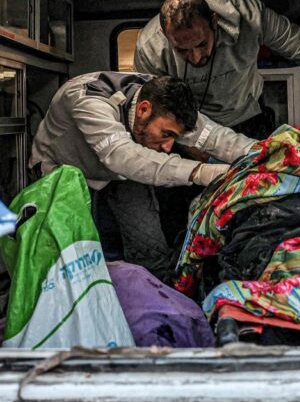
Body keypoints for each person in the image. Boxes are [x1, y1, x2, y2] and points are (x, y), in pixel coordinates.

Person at [29, 72, 255, 282]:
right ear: (143, 110)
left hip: (119, 175)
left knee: (150, 249)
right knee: (68, 257)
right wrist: (200, 172)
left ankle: (156, 300)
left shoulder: (163, 100)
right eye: (166, 135)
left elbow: (214, 137)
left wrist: (269, 151)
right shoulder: (88, 100)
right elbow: (122, 156)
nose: (168, 147)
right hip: (63, 172)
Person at [134, 0, 300, 139]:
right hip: (185, 127)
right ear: (166, 37)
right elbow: (157, 112)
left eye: (202, 45)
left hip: (247, 119)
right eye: (182, 50)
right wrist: (194, 147)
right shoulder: (150, 49)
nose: (196, 58)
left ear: (214, 22)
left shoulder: (250, 18)